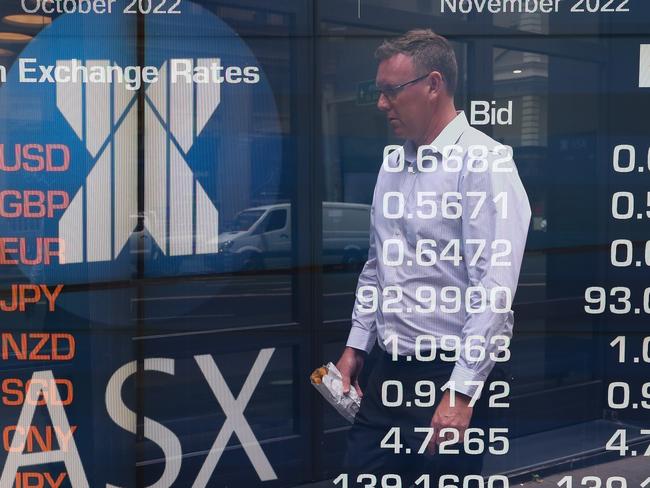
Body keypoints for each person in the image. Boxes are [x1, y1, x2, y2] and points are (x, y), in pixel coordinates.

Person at [336, 29, 532, 485]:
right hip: (389, 368)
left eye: (391, 91)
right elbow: (376, 265)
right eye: (378, 91)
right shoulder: (393, 164)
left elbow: (495, 290)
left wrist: (461, 393)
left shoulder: (486, 163)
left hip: (451, 369)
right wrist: (355, 346)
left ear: (433, 84)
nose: (382, 104)